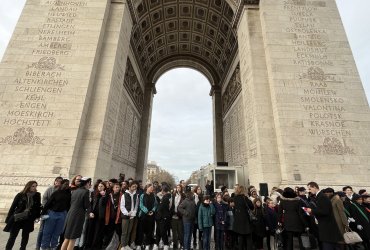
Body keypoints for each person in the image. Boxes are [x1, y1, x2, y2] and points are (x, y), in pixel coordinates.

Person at [4, 180, 42, 250]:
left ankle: (22, 248)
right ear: (28, 186)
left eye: (36, 186)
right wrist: (8, 218)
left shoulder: (37, 195)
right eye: (33, 186)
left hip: (29, 218)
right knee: (13, 236)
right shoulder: (20, 195)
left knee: (25, 236)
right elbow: (13, 207)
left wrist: (37, 216)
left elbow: (38, 207)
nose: (34, 188)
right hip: (18, 217)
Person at [306, 182, 343, 250]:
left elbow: (325, 211)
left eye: (310, 189)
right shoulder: (319, 196)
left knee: (329, 246)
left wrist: (312, 211)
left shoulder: (322, 197)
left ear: (314, 187)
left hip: (328, 227)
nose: (309, 191)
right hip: (326, 227)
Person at [61, 177, 92, 250]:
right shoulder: (86, 192)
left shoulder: (75, 191)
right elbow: (86, 205)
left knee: (67, 237)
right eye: (89, 183)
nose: (90, 185)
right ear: (87, 183)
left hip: (71, 213)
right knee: (73, 238)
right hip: (78, 215)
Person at [40, 179, 71, 250]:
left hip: (62, 214)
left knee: (57, 232)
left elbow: (69, 205)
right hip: (52, 213)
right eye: (65, 184)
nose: (67, 185)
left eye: (68, 184)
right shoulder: (56, 193)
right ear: (62, 184)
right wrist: (43, 213)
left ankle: (54, 246)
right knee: (47, 232)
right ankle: (44, 247)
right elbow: (48, 203)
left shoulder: (69, 194)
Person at [36, 176, 63, 250]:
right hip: (47, 212)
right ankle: (38, 246)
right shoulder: (50, 189)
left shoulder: (62, 191)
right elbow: (44, 199)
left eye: (60, 182)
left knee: (52, 231)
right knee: (42, 230)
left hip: (56, 213)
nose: (58, 183)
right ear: (55, 181)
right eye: (57, 181)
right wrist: (46, 209)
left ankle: (49, 246)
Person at [85, 181, 106, 249]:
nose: (100, 188)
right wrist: (90, 212)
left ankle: (94, 247)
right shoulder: (93, 193)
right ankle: (87, 246)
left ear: (104, 187)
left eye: (102, 186)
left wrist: (103, 196)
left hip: (100, 217)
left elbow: (104, 205)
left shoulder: (106, 195)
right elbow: (90, 204)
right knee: (90, 231)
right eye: (99, 186)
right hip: (92, 215)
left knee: (97, 232)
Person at [101, 182, 123, 248]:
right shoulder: (109, 195)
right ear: (113, 188)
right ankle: (106, 246)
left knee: (118, 232)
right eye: (115, 187)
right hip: (110, 217)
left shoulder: (122, 195)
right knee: (109, 232)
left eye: (118, 187)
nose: (117, 189)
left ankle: (117, 246)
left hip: (118, 217)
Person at [232, 185, 254, 250]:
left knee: (240, 236)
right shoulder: (245, 198)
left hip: (238, 220)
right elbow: (252, 207)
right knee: (248, 237)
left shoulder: (235, 198)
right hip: (245, 220)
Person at [120, 181, 139, 250]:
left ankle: (126, 245)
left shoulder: (136, 195)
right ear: (129, 187)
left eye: (135, 187)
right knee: (124, 232)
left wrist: (134, 212)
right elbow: (122, 206)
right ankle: (122, 246)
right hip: (125, 216)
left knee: (129, 231)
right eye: (133, 186)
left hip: (132, 216)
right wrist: (127, 213)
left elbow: (136, 205)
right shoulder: (124, 195)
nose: (134, 188)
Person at [138, 183, 157, 250]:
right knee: (141, 231)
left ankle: (147, 244)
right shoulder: (142, 195)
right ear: (147, 188)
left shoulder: (154, 196)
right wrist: (146, 211)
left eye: (152, 188)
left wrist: (152, 211)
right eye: (151, 187)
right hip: (143, 215)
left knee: (149, 231)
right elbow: (140, 204)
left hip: (151, 216)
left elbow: (155, 205)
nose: (152, 189)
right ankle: (139, 244)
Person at [153, 185, 172, 250]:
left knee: (162, 231)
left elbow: (161, 207)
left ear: (163, 191)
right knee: (158, 230)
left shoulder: (166, 198)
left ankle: (166, 244)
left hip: (163, 217)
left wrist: (159, 203)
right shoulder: (166, 197)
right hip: (160, 217)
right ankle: (156, 244)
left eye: (162, 190)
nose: (161, 191)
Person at [171, 184, 185, 249]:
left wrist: (181, 214)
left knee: (180, 231)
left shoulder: (183, 195)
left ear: (181, 188)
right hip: (174, 215)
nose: (178, 188)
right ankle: (175, 243)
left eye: (179, 187)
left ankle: (181, 243)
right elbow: (171, 205)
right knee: (174, 231)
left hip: (180, 216)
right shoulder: (173, 195)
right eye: (177, 187)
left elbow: (184, 206)